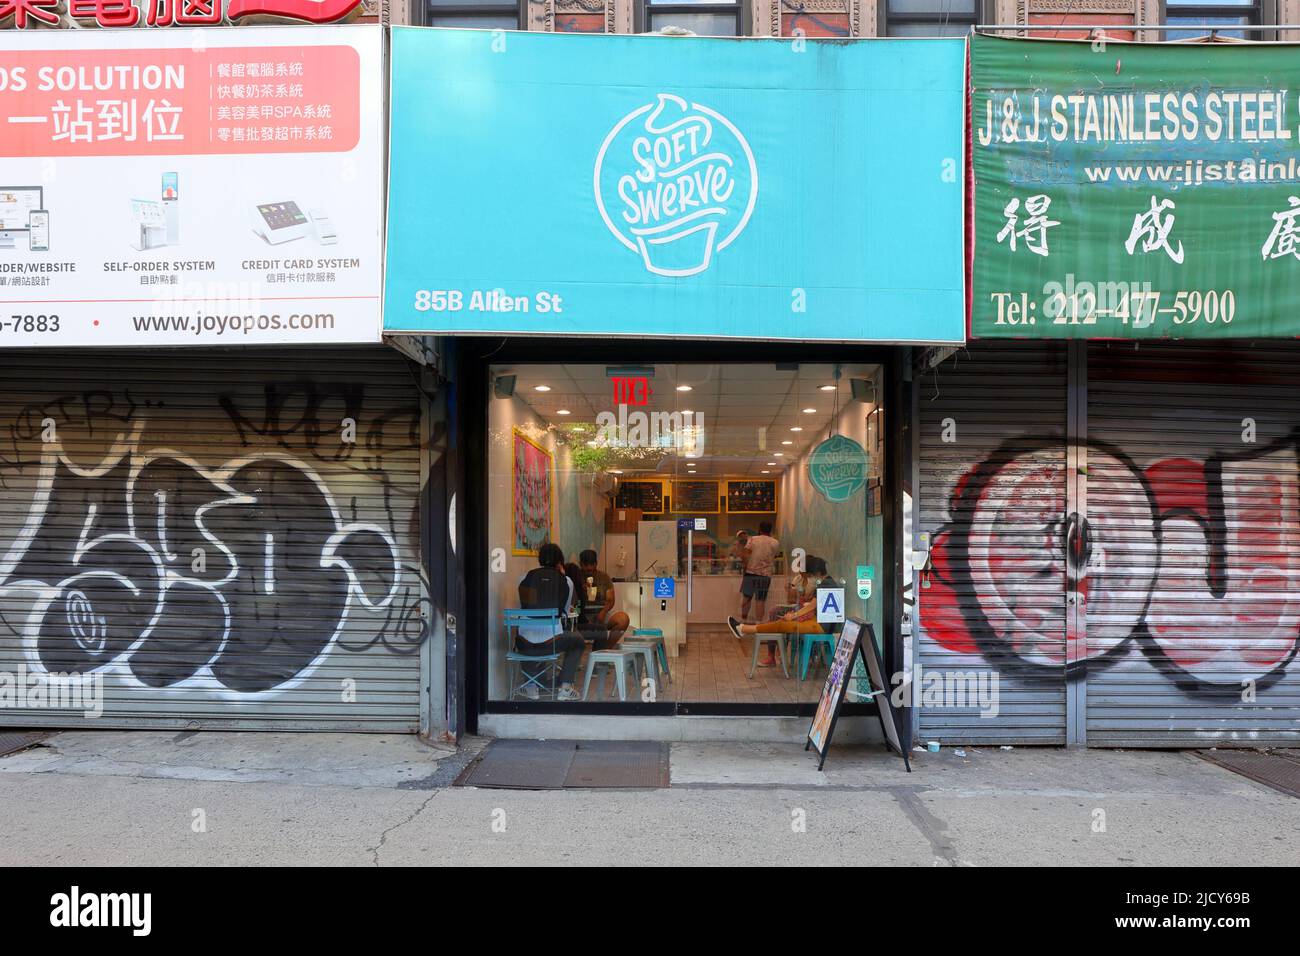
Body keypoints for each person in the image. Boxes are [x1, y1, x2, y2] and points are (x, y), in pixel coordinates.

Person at [726, 556, 835, 668]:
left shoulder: (826, 584)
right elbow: (814, 605)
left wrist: (793, 616)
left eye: (810, 575)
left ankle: (744, 629)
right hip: (819, 622)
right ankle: (743, 629)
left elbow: (812, 605)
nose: (809, 577)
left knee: (781, 624)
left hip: (820, 626)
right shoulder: (827, 582)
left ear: (815, 572)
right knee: (780, 621)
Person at [516, 543, 583, 700]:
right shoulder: (566, 582)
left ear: (540, 559)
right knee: (578, 640)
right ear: (560, 561)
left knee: (522, 632)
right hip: (552, 643)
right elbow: (564, 613)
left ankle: (530, 686)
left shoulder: (524, 577)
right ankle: (565, 687)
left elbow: (524, 607)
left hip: (526, 644)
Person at [576, 549, 629, 649]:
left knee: (623, 619)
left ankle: (607, 648)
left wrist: (603, 612)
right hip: (582, 616)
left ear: (596, 564)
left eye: (592, 564)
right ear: (581, 564)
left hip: (601, 613)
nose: (589, 568)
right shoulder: (576, 576)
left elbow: (610, 600)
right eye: (586, 565)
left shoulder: (604, 577)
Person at [736, 520, 780, 625]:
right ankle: (758, 625)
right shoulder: (775, 542)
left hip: (750, 573)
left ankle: (743, 621)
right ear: (770, 530)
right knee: (760, 601)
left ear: (759, 529)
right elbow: (775, 555)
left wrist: (745, 567)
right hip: (765, 576)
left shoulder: (752, 540)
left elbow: (745, 555)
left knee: (747, 598)